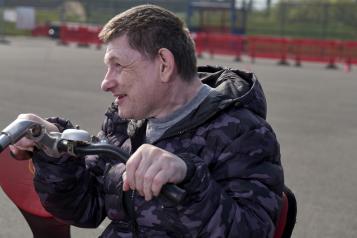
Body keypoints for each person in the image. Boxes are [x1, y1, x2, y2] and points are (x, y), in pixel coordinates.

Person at [10, 4, 284, 238]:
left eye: (118, 65)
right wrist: (53, 147)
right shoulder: (124, 122)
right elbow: (85, 208)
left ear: (164, 63)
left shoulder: (243, 132)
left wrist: (188, 177)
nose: (106, 82)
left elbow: (252, 231)